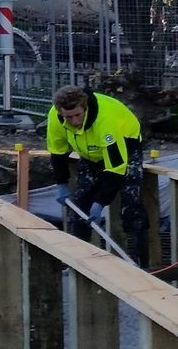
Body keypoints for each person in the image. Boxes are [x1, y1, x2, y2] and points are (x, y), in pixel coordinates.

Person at [46, 84, 148, 266]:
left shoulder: (105, 121)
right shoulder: (55, 118)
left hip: (125, 144)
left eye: (78, 115)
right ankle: (77, 260)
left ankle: (140, 260)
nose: (74, 121)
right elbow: (58, 153)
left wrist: (101, 202)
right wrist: (61, 183)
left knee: (131, 203)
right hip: (89, 151)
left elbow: (116, 168)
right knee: (80, 203)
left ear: (84, 108)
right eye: (68, 117)